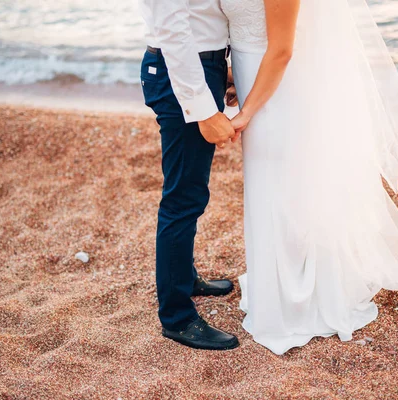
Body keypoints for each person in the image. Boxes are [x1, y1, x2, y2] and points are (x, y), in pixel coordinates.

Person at [224, 0, 398, 355]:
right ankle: (277, 292)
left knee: (285, 187)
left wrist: (246, 112)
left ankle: (300, 301)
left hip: (278, 92)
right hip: (257, 83)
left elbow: (282, 50)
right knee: (270, 187)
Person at [139, 0, 240, 350]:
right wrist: (201, 106)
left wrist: (221, 71)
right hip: (180, 73)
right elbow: (171, 26)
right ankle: (177, 317)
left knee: (191, 190)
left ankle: (184, 278)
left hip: (198, 68)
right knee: (183, 198)